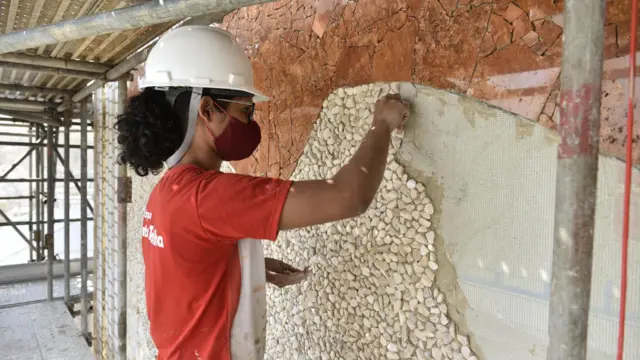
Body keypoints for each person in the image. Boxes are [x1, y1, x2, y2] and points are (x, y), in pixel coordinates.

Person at [115, 25, 409, 360]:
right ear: (207, 110)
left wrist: (250, 268)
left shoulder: (167, 193)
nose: (252, 122)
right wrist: (382, 123)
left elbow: (187, 274)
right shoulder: (207, 197)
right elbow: (349, 196)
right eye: (246, 110)